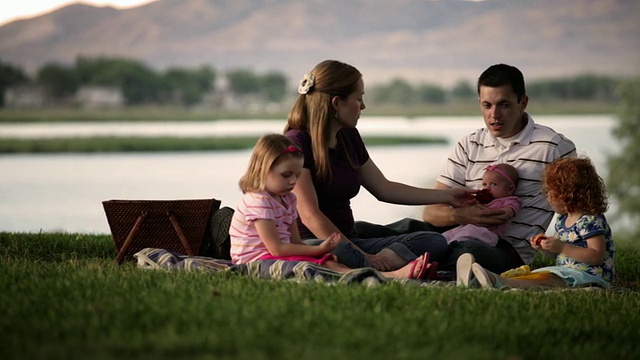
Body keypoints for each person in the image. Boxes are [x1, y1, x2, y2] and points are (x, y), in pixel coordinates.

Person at [284, 59, 475, 272]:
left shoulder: (349, 137)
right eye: (359, 98)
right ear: (336, 103)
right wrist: (363, 255)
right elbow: (310, 216)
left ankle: (384, 266)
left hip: (351, 241)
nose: (363, 106)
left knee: (433, 240)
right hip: (313, 244)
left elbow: (385, 189)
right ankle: (390, 271)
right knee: (344, 253)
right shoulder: (296, 143)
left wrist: (447, 196)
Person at [228, 133, 434, 280]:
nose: (293, 182)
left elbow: (295, 241)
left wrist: (320, 252)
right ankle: (389, 276)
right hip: (254, 262)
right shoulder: (259, 202)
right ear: (262, 170)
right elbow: (276, 247)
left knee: (329, 260)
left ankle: (388, 275)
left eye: (297, 175)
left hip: (276, 256)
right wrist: (318, 248)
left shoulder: (288, 199)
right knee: (313, 265)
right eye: (286, 175)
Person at [457, 156, 615, 289]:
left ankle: (496, 281)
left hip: (589, 277)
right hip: (566, 272)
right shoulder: (563, 219)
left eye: (552, 195)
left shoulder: (591, 220)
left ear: (569, 195)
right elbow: (558, 252)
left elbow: (596, 257)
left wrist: (561, 246)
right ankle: (481, 280)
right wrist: (546, 248)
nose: (549, 199)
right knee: (535, 275)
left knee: (545, 279)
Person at [443, 163, 522, 247]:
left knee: (467, 234)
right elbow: (469, 210)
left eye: (494, 184)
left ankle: (449, 251)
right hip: (466, 226)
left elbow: (510, 210)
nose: (487, 188)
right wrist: (469, 204)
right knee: (448, 235)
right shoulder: (482, 201)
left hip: (488, 232)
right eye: (484, 184)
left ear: (510, 189)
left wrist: (506, 212)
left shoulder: (510, 200)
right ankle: (436, 251)